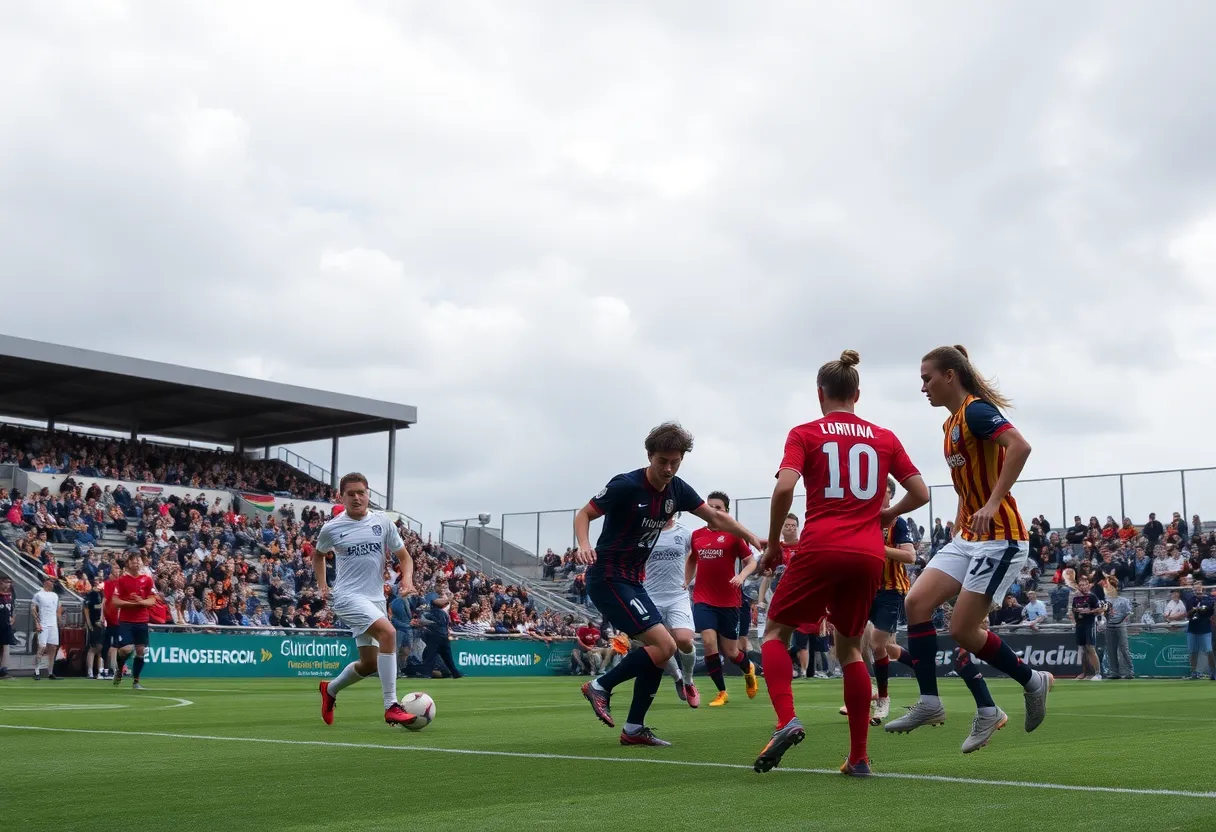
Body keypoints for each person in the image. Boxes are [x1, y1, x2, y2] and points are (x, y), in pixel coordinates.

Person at [752, 351, 928, 777]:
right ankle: (860, 758)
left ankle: (786, 719)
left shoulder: (804, 433)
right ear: (857, 394)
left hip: (820, 546)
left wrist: (774, 544)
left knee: (775, 632)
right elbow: (920, 492)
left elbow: (783, 491)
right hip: (868, 554)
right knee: (850, 649)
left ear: (820, 394)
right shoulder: (884, 437)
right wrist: (887, 514)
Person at [885, 345, 1053, 752]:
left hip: (1001, 538)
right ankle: (929, 702)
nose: (922, 386)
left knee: (962, 630)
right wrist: (964, 520)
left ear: (949, 376)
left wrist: (993, 503)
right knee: (917, 604)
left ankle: (1032, 682)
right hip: (969, 537)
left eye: (927, 378)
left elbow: (1021, 446)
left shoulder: (976, 412)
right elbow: (967, 487)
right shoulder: (950, 426)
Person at [577, 421, 763, 747]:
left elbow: (716, 518)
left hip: (634, 581)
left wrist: (749, 535)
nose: (668, 468)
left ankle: (634, 728)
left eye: (675, 461)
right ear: (650, 456)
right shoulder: (625, 485)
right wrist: (583, 544)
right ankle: (600, 686)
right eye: (663, 460)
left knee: (661, 650)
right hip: (608, 577)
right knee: (665, 647)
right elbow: (584, 515)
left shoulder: (677, 489)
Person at [316, 473, 418, 727]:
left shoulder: (383, 523)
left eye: (361, 492)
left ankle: (329, 690)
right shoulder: (332, 528)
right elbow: (318, 556)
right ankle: (391, 706)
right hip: (347, 597)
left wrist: (407, 581)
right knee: (389, 633)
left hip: (375, 599)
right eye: (350, 494)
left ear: (368, 493)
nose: (357, 497)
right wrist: (322, 587)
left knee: (370, 663)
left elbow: (405, 558)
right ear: (342, 497)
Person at [686, 492, 760, 706]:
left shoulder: (734, 535)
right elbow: (692, 559)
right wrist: (686, 580)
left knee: (731, 652)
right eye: (710, 507)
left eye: (718, 507)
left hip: (729, 601)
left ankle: (749, 669)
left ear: (726, 511)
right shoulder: (697, 535)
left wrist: (741, 576)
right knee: (709, 644)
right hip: (702, 598)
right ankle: (721, 692)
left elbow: (751, 561)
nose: (713, 511)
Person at [863, 478, 917, 724]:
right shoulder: (863, 519)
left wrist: (879, 549)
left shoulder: (899, 522)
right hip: (863, 588)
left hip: (890, 590)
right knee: (857, 644)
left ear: (891, 495)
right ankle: (861, 692)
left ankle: (882, 698)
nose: (878, 496)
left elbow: (910, 556)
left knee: (877, 643)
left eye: (883, 492)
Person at [642, 514, 700, 706]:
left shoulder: (684, 533)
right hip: (651, 596)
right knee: (661, 645)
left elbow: (695, 556)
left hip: (677, 595)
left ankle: (688, 680)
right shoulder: (645, 532)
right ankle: (677, 677)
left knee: (684, 639)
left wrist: (688, 579)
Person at [112, 553, 154, 689]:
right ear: (128, 563)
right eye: (134, 560)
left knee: (141, 651)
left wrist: (140, 601)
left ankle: (136, 681)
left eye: (138, 560)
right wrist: (132, 604)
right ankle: (119, 670)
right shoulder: (122, 580)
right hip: (126, 620)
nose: (137, 562)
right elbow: (115, 601)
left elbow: (152, 599)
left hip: (141, 620)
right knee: (126, 649)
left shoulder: (147, 579)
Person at [1070, 576, 1103, 680]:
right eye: (1080, 585)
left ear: (1088, 585)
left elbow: (1100, 609)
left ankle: (1098, 673)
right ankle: (1086, 673)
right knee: (1082, 649)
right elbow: (1073, 611)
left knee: (1090, 648)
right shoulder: (1076, 599)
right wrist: (1074, 622)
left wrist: (1090, 611)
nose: (1082, 587)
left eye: (1084, 585)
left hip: (1090, 625)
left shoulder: (1092, 597)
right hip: (1080, 626)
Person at [32, 576, 63, 681]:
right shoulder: (38, 594)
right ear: (46, 582)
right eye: (51, 581)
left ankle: (50, 671)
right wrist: (37, 623)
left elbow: (58, 609)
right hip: (43, 624)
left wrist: (59, 621)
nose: (53, 584)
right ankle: (37, 670)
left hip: (53, 624)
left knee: (53, 647)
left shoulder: (55, 595)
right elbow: (33, 609)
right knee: (42, 647)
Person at [1103, 580, 1134, 679]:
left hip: (1120, 625)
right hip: (1109, 626)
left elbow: (1129, 613)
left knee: (1124, 648)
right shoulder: (1104, 600)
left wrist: (1123, 621)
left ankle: (1130, 671)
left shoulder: (1123, 600)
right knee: (1111, 650)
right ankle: (1114, 672)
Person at [1184, 586, 1215, 681]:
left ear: (1203, 591)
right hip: (1193, 629)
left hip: (1205, 629)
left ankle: (1213, 673)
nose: (1198, 594)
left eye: (1200, 592)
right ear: (1194, 592)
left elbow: (1209, 611)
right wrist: (1195, 610)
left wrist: (1201, 609)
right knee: (1193, 652)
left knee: (1208, 651)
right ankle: (1195, 672)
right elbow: (1188, 614)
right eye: (1196, 592)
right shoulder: (1190, 600)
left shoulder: (1208, 600)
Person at [83, 580, 106, 679]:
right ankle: (90, 671)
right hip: (94, 624)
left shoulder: (101, 595)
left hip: (101, 624)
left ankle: (100, 671)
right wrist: (90, 625)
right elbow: (87, 611)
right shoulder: (91, 596)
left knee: (101, 648)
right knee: (93, 648)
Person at [0, 575, 14, 678]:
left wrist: (13, 617)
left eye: (9, 582)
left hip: (6, 623)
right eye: (6, 582)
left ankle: (3, 670)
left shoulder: (9, 595)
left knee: (4, 646)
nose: (8, 584)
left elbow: (12, 607)